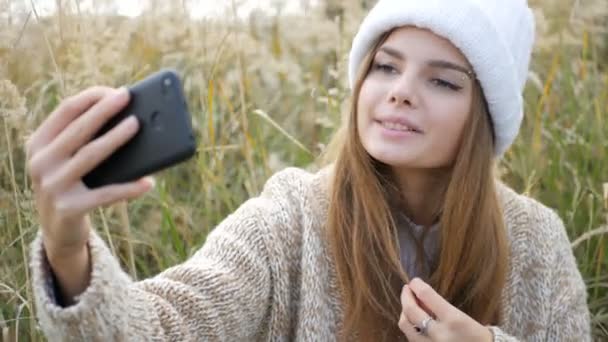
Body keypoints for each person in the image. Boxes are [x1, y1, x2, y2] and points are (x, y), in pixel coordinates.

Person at [27, 0, 591, 340]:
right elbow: (162, 327)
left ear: (485, 116)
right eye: (385, 67)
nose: (399, 93)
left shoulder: (537, 240)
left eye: (442, 81)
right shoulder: (289, 218)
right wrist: (67, 248)